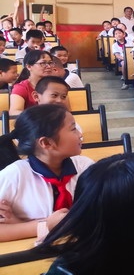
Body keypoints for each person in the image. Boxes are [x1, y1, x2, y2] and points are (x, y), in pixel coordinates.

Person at [0, 104, 89, 242]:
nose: (80, 135)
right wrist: (45, 225)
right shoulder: (14, 175)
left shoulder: (85, 166)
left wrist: (20, 224)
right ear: (46, 142)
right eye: (73, 129)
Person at [10, 50, 55, 115]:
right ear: (29, 66)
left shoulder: (57, 85)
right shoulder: (21, 87)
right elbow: (14, 112)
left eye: (50, 63)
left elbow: (66, 110)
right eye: (43, 63)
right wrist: (42, 116)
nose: (49, 66)